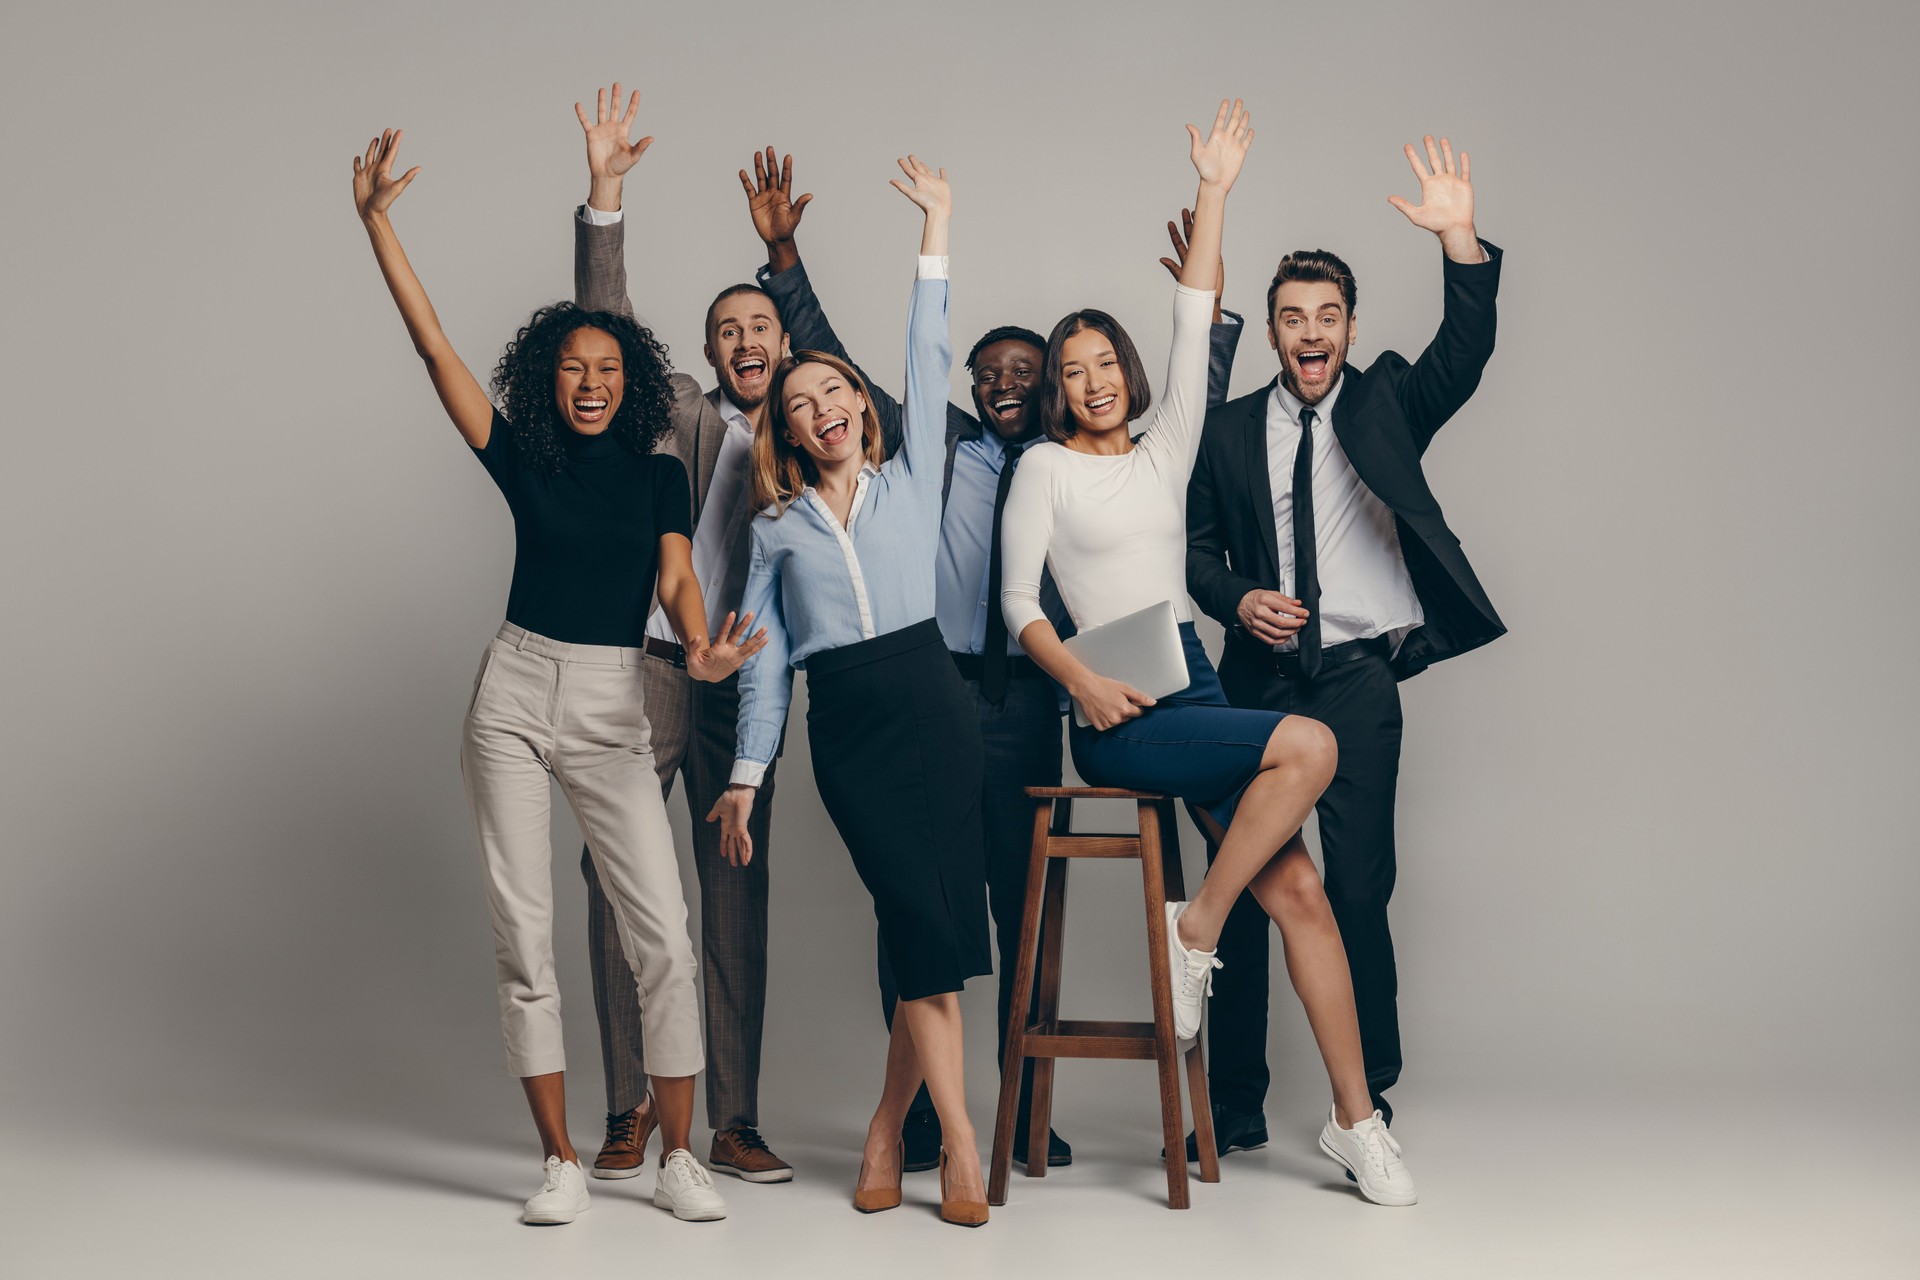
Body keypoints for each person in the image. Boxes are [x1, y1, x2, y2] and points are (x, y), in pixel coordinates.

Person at [739, 149, 1248, 1172]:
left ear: (1052, 388)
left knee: (1022, 907)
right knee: (919, 901)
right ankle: (923, 1114)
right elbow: (843, 371)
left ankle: (1025, 1107)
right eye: (997, 372)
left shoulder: (1080, 467)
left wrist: (1210, 300)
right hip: (934, 689)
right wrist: (783, 259)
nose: (1011, 384)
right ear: (975, 385)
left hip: (1027, 701)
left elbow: (1178, 426)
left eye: (1032, 371)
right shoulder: (931, 455)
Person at [999, 101, 1418, 1206]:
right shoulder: (1043, 468)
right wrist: (1082, 683)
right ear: (1057, 387)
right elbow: (1014, 604)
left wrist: (1219, 189)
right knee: (1312, 744)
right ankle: (1196, 931)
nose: (1093, 380)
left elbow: (1197, 318)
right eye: (1073, 368)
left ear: (1127, 372)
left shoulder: (1168, 445)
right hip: (1121, 703)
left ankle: (1354, 1122)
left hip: (1198, 678)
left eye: (1105, 363)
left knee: (1308, 899)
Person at [351, 125, 764, 1224]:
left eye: (608, 369)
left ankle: (680, 1155)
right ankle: (559, 1161)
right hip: (513, 695)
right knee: (523, 933)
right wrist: (377, 222)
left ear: (633, 385)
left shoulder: (659, 470)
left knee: (662, 933)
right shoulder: (523, 450)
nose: (590, 382)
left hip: (612, 695)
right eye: (573, 368)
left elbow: (677, 577)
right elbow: (432, 342)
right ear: (549, 379)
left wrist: (707, 644)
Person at [564, 88, 906, 1186]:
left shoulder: (822, 437)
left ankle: (734, 1119)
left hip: (749, 686)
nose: (749, 341)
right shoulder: (673, 406)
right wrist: (606, 199)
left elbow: (864, 394)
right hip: (656, 672)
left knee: (734, 895)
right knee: (618, 878)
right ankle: (625, 1108)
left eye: (763, 327)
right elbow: (604, 334)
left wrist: (785, 267)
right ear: (713, 354)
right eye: (731, 332)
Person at [1183, 135, 1503, 1163]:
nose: (1310, 332)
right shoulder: (1228, 431)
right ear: (1273, 333)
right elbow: (1188, 548)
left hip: (1358, 678)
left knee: (1359, 887)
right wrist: (1235, 598)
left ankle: (1367, 1099)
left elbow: (1466, 350)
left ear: (1350, 328)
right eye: (1292, 318)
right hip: (1256, 681)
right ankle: (1232, 1099)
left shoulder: (1387, 399)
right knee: (1241, 889)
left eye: (1327, 317)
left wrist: (1459, 239)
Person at [707, 156, 995, 1226]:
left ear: (859, 410)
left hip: (935, 701)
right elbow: (770, 664)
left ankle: (897, 1129)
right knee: (917, 919)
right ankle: (958, 1143)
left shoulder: (914, 475)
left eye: (834, 389)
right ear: (783, 427)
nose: (822, 404)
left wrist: (938, 224)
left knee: (938, 934)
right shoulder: (775, 529)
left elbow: (929, 346)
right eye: (800, 399)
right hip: (854, 727)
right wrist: (744, 778)